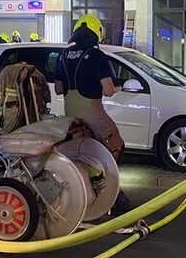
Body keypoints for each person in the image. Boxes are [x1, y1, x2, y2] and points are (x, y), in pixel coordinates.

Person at [53, 14, 130, 214]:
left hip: (71, 116)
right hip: (94, 115)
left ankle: (97, 190)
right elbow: (108, 90)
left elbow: (59, 90)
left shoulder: (63, 55)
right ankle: (112, 195)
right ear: (96, 33)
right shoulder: (96, 55)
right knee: (115, 146)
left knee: (81, 155)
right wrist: (117, 87)